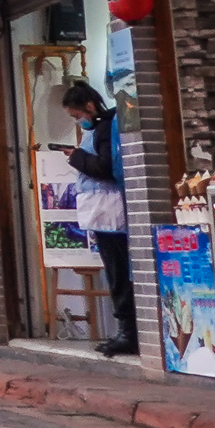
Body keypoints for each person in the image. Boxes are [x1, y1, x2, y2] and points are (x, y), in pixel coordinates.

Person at [61, 82, 136, 356]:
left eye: (77, 115)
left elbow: (105, 167)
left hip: (110, 213)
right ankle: (126, 330)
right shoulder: (101, 128)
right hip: (104, 214)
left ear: (90, 107)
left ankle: (128, 332)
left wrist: (77, 157)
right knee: (116, 271)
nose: (78, 121)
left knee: (119, 272)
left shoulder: (105, 129)